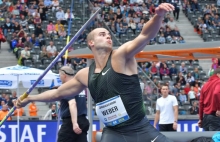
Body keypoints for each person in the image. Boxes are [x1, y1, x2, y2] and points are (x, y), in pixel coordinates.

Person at [17, 3, 175, 142]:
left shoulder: (120, 56)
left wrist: (158, 15)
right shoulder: (85, 74)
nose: (107, 36)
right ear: (91, 43)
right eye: (102, 34)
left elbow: (145, 35)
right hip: (114, 134)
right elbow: (57, 94)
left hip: (141, 130)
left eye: (108, 34)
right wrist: (30, 98)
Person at [57, 66, 89, 142]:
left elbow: (72, 104)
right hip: (82, 121)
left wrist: (74, 123)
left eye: (59, 75)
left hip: (71, 122)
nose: (59, 78)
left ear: (64, 75)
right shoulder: (80, 86)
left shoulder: (67, 86)